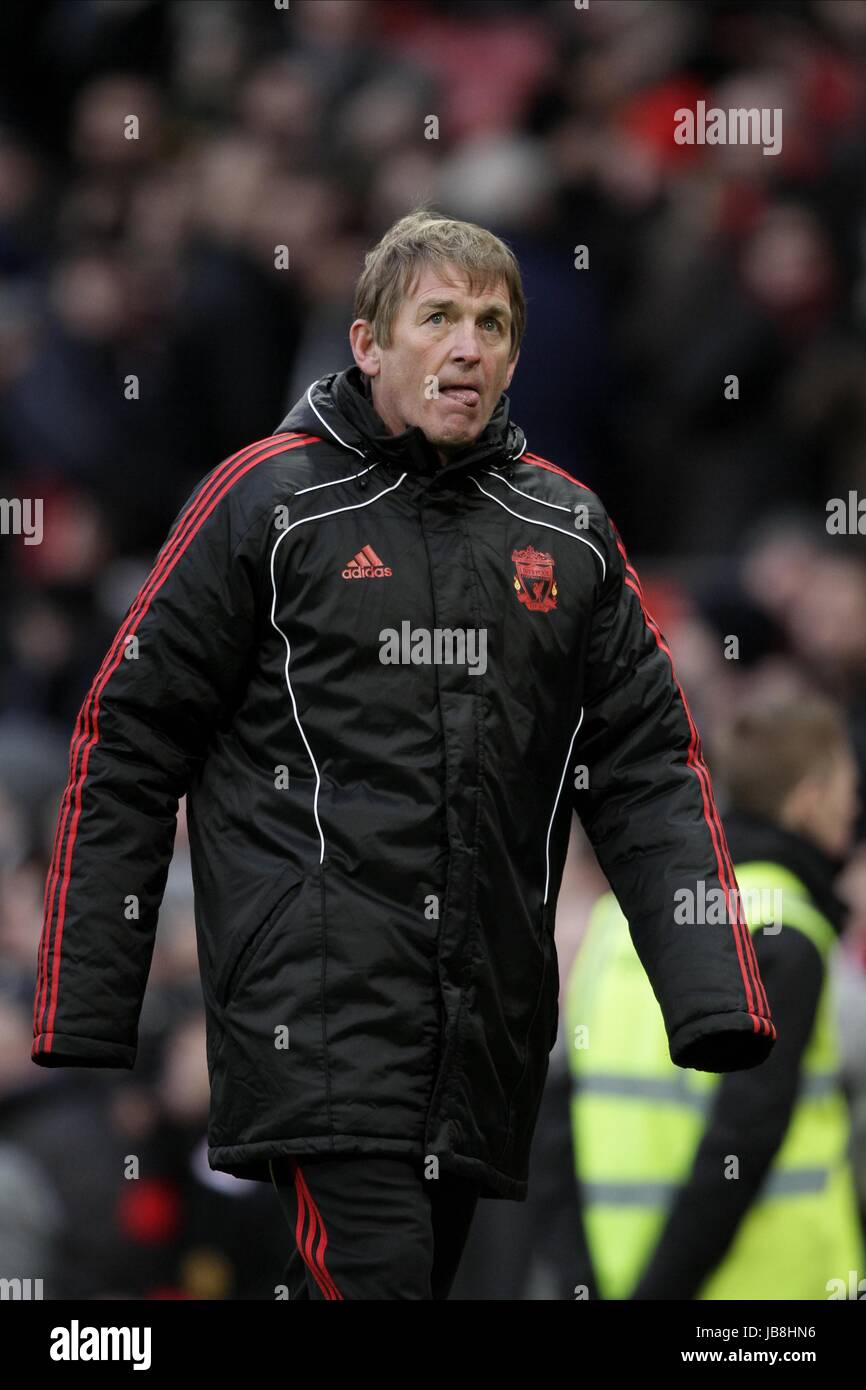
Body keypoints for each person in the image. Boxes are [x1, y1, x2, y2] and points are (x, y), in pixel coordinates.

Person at [30, 207, 775, 1300]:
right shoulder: (265, 503)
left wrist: (710, 992)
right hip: (312, 1021)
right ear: (368, 341)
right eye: (437, 317)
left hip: (486, 1038)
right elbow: (128, 738)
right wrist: (89, 1002)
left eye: (491, 322)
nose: (467, 345)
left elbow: (648, 765)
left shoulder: (567, 530)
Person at [567, 687, 865, 1300]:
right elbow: (741, 1144)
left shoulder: (616, 922)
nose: (854, 808)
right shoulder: (787, 933)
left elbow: (553, 1130)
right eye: (847, 789)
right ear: (809, 801)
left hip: (617, 1277)